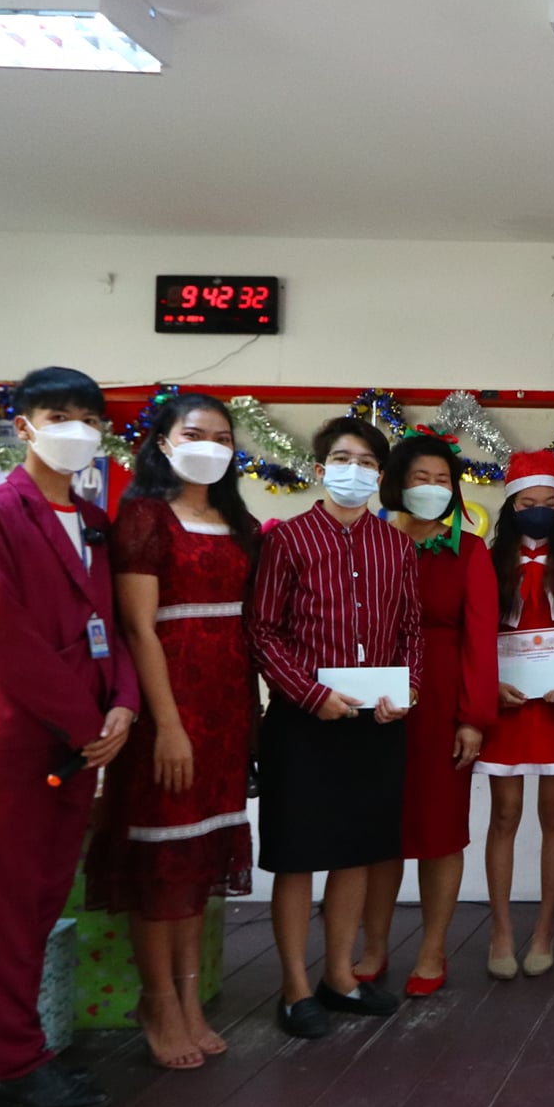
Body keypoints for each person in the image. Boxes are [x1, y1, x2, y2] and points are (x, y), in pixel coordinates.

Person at [0, 366, 139, 1107]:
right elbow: (1, 631)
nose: (75, 430)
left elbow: (112, 625)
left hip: (85, 737)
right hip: (24, 736)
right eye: (57, 416)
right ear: (23, 425)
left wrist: (123, 703)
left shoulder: (94, 518)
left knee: (40, 900)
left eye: (87, 418)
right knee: (9, 902)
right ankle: (17, 1063)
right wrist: (85, 721)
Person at [86, 393, 259, 1071]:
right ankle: (157, 1001)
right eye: (195, 433)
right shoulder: (144, 517)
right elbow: (138, 628)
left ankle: (190, 998)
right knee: (162, 862)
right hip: (171, 708)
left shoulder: (236, 521)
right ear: (162, 442)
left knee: (198, 860)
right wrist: (167, 725)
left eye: (223, 436)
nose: (210, 445)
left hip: (227, 706)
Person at [246, 415, 421, 1038]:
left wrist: (409, 690)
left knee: (358, 852)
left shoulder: (396, 545)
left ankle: (340, 977)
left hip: (377, 723)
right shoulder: (286, 540)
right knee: (297, 856)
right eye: (344, 460)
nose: (356, 471)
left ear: (381, 475)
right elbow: (262, 631)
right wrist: (310, 694)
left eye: (368, 463)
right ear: (322, 469)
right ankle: (295, 988)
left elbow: (411, 631)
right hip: (303, 723)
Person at [352, 430, 498, 998]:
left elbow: (480, 640)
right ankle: (372, 946)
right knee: (377, 832)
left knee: (439, 832)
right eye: (421, 478)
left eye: (443, 480)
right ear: (396, 483)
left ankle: (433, 949)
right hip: (374, 702)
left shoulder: (470, 552)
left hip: (440, 706)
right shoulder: (367, 541)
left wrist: (473, 718)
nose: (433, 488)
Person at [476, 450, 554, 980]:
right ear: (510, 506)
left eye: (550, 502)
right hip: (504, 703)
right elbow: (473, 636)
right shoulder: (485, 559)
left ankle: (546, 929)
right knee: (504, 815)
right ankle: (501, 931)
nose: (540, 510)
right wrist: (489, 685)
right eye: (529, 502)